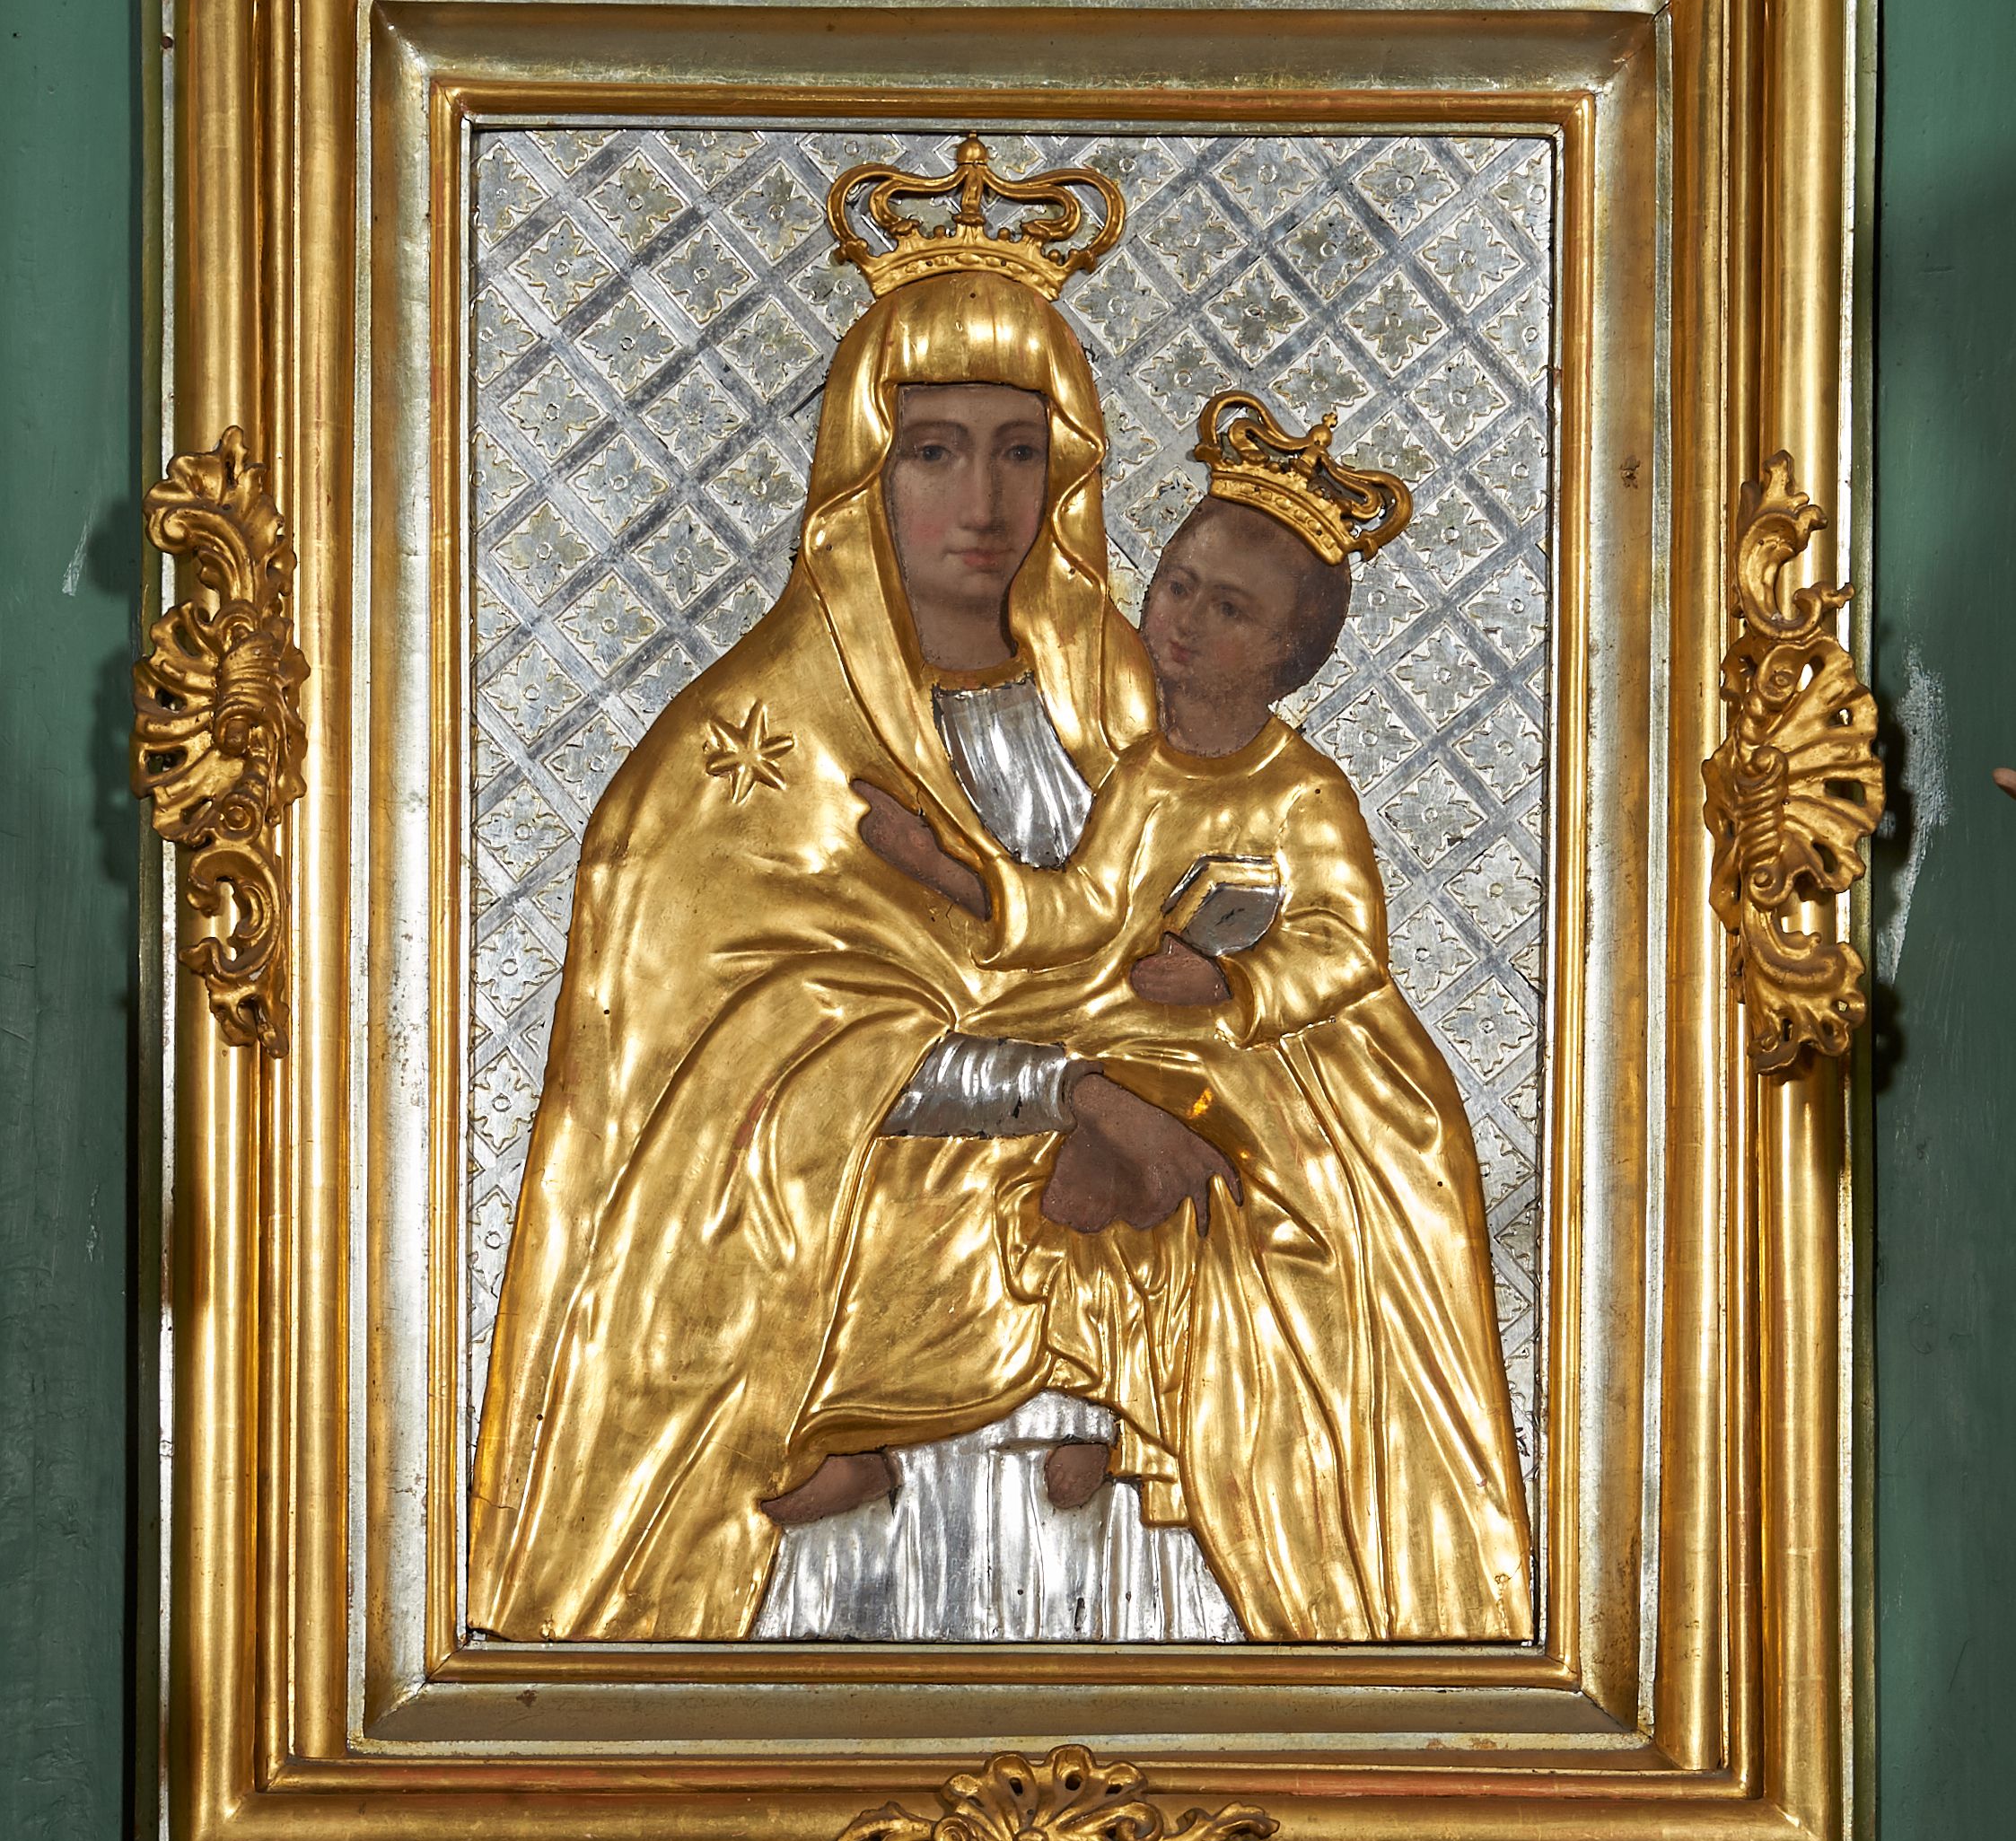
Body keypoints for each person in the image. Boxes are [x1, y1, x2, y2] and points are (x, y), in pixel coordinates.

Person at [468, 186, 1235, 1645]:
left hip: (1117, 1315)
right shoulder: (747, 741)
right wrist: (1065, 1085)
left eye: (1020, 450)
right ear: (860, 469)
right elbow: (741, 1056)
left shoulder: (1121, 712)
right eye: (933, 449)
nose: (984, 502)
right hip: (846, 1309)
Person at [837, 397, 1536, 1644]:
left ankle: (1121, 1424)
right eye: (1176, 586)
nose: (1182, 621)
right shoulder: (1145, 776)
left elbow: (1344, 947)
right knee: (1003, 1135)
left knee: (1174, 1193)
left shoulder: (1302, 792)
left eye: (1229, 610)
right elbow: (1077, 909)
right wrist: (945, 869)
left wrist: (1233, 989)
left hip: (1291, 1064)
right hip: (1140, 1022)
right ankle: (1043, 1400)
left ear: (1287, 654)